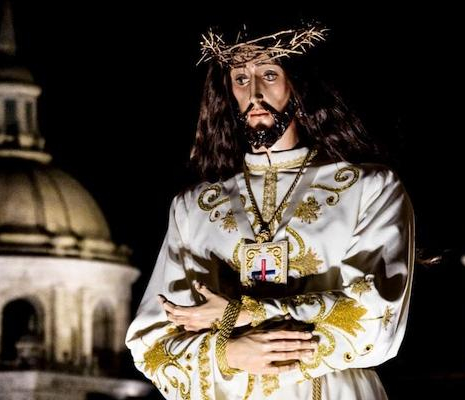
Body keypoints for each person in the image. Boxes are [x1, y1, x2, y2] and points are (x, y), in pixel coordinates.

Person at [125, 22, 415, 400]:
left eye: (270, 74)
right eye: (241, 78)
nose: (255, 93)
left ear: (299, 83)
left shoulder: (368, 189)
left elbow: (376, 322)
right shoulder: (194, 208)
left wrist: (245, 314)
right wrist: (227, 354)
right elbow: (152, 345)